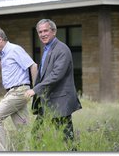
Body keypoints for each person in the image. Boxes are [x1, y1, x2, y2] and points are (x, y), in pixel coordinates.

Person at [24, 19, 82, 150]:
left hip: (60, 102)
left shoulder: (62, 50)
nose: (43, 34)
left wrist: (35, 90)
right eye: (40, 32)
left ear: (54, 32)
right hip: (48, 102)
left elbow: (56, 75)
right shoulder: (47, 49)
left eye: (46, 30)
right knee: (37, 135)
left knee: (67, 140)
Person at [0, 28, 38, 151]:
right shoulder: (4, 54)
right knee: (23, 129)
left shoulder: (15, 49)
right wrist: (1, 66)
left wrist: (36, 89)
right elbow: (14, 71)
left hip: (19, 92)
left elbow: (33, 66)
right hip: (13, 91)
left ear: (0, 40)